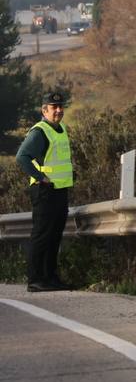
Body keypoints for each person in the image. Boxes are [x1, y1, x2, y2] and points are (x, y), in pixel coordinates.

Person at [16, 91, 76, 292]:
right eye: (53, 107)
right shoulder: (39, 131)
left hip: (59, 191)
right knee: (42, 235)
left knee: (55, 235)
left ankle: (50, 277)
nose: (58, 111)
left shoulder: (61, 129)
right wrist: (41, 177)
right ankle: (35, 279)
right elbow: (22, 156)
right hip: (44, 191)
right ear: (44, 110)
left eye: (60, 107)